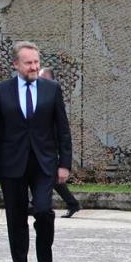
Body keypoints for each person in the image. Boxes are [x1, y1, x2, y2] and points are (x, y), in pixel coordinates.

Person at [0, 41, 72, 262]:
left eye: (36, 62)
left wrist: (64, 164)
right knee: (16, 219)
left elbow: (62, 130)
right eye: (28, 62)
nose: (34, 66)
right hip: (12, 164)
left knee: (43, 211)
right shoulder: (2, 90)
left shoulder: (51, 89)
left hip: (44, 164)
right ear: (15, 64)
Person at [38, 67, 81, 218]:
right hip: (44, 141)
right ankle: (71, 203)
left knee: (50, 175)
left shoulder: (52, 93)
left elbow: (59, 124)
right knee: (49, 175)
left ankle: (71, 203)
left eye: (41, 77)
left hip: (51, 141)